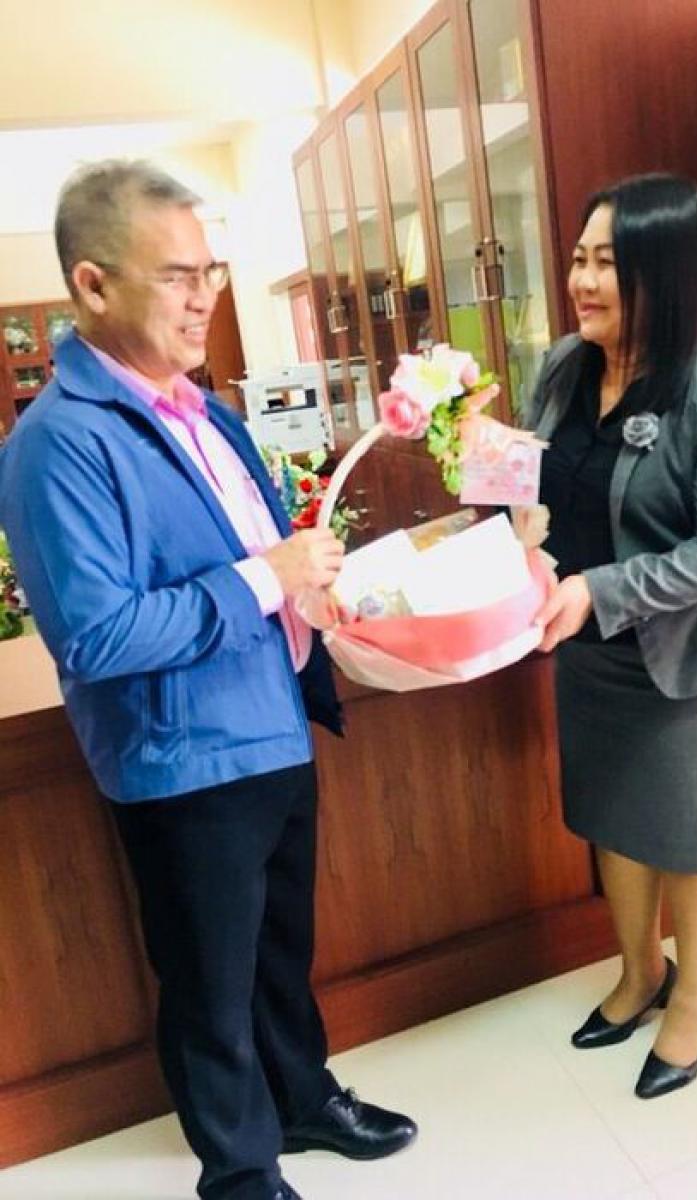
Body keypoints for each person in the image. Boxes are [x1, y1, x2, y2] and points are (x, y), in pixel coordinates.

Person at [0, 160, 416, 1200]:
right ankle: (239, 1174)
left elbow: (262, 560)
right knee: (209, 985)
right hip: (183, 762)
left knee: (279, 951)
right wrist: (267, 577)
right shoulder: (57, 444)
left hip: (272, 725)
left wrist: (313, 592)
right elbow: (97, 637)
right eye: (177, 276)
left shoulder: (205, 410)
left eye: (211, 273)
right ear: (94, 285)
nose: (203, 299)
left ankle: (303, 1099)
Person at [530, 174, 697, 1100]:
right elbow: (533, 484)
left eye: (609, 263)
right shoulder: (562, 367)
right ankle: (640, 971)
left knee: (688, 834)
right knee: (614, 817)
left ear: (667, 272)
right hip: (585, 645)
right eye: (579, 259)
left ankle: (692, 999)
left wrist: (597, 589)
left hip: (684, 653)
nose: (583, 280)